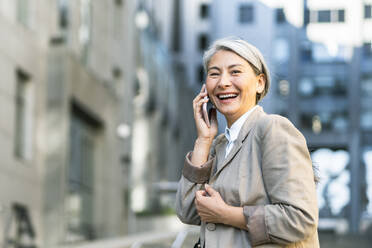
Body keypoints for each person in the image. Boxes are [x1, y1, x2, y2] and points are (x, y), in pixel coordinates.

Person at [176, 37, 319, 248]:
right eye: (214, 73)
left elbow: (300, 219)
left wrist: (227, 214)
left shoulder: (273, 129)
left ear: (260, 83)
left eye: (235, 72)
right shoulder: (220, 145)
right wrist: (203, 140)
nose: (223, 82)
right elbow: (187, 210)